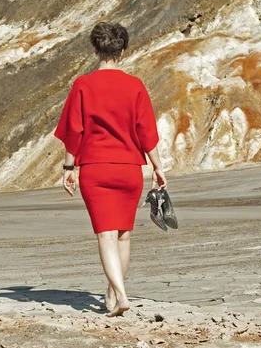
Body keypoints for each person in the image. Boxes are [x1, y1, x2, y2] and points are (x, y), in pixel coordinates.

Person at [54, 22, 167, 317]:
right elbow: (147, 133)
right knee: (123, 236)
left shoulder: (83, 85)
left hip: (96, 169)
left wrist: (68, 167)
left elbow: (73, 132)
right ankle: (113, 292)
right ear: (123, 50)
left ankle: (121, 294)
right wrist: (157, 167)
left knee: (106, 235)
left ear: (95, 49)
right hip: (130, 169)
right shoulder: (136, 86)